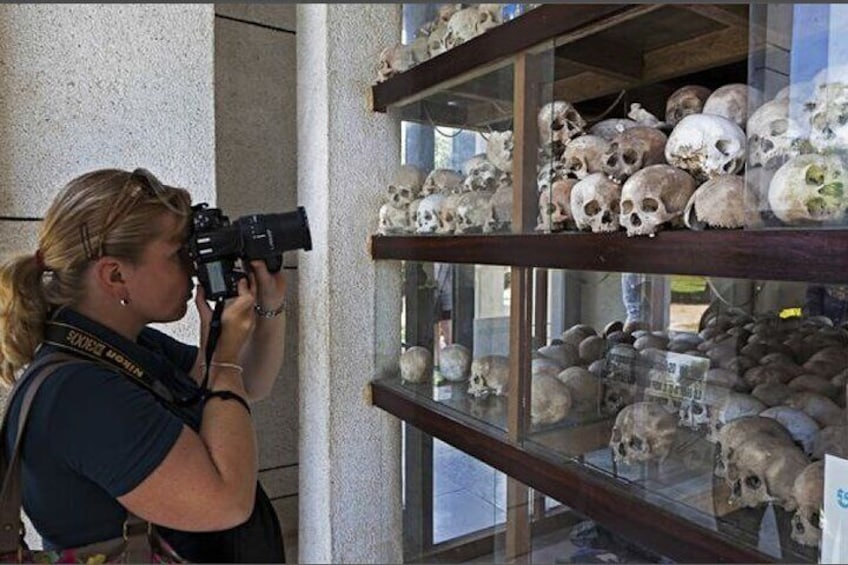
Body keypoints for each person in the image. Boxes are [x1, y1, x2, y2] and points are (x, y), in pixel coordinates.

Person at [0, 168, 288, 562]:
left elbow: (249, 384)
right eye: (176, 253)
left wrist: (267, 306)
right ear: (116, 275)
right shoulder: (79, 394)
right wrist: (222, 362)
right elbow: (227, 501)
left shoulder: (122, 345)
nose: (192, 265)